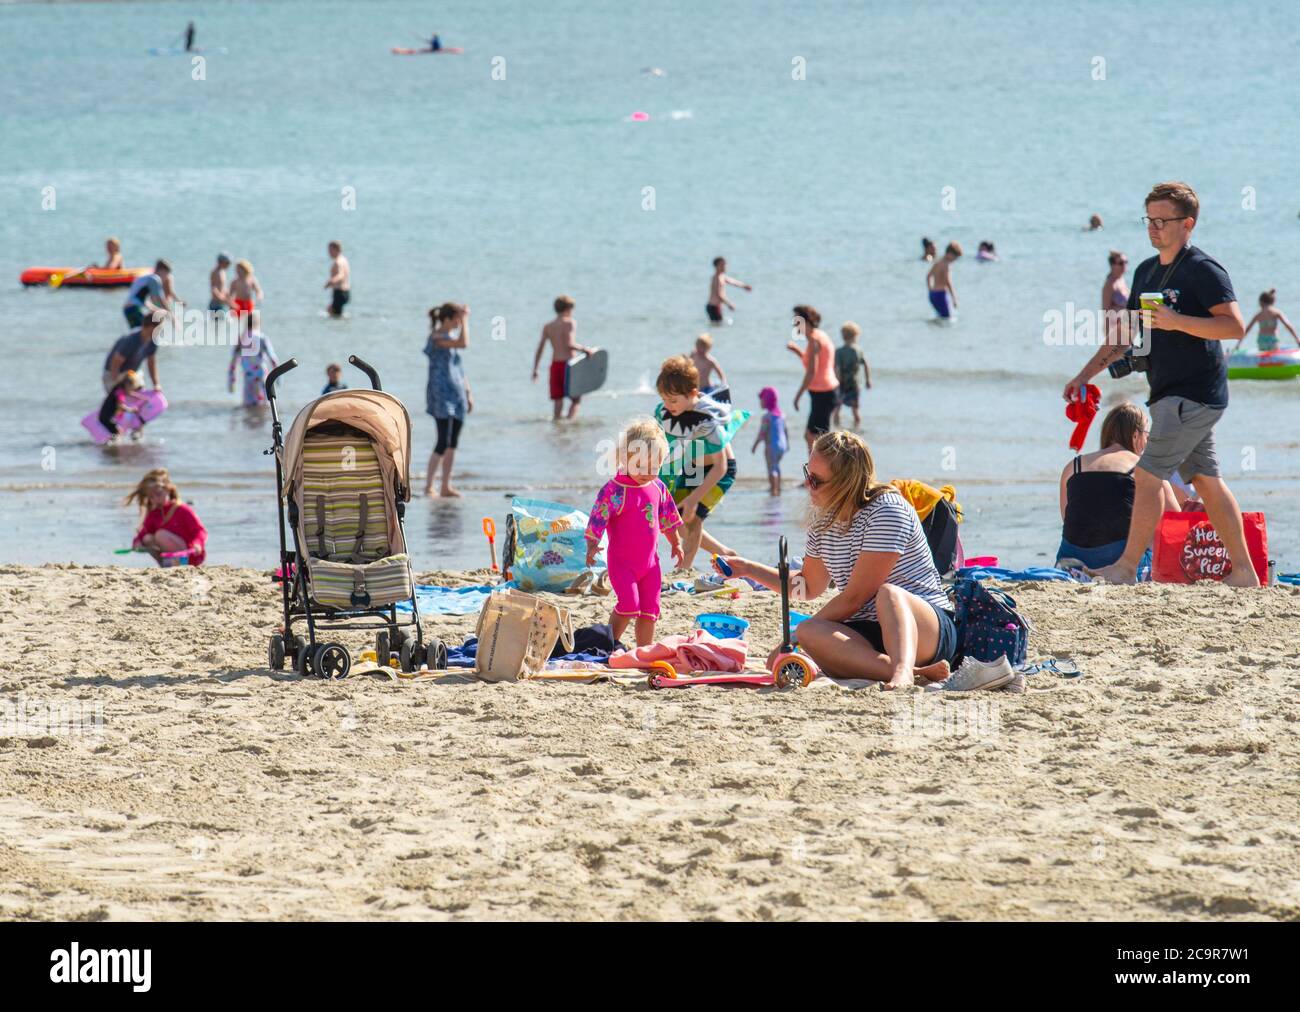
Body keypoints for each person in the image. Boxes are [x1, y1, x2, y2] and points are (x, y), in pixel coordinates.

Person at [1064, 180, 1258, 586]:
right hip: (1166, 391)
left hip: (1196, 393)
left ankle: (1126, 568)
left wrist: (1177, 322)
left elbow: (1234, 326)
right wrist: (1084, 375)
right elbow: (1123, 334)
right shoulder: (1146, 271)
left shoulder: (1203, 270)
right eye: (1148, 219)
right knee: (1205, 479)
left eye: (1162, 220)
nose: (1153, 227)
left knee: (1147, 475)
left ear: (1187, 224)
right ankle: (1244, 571)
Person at [716, 431, 958, 689]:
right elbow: (807, 586)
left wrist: (793, 637)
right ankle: (913, 671)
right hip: (868, 629)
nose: (808, 485)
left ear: (847, 483)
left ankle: (903, 670)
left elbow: (855, 597)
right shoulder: (823, 520)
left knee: (887, 594)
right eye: (807, 474)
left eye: (816, 480)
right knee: (810, 631)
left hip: (924, 626)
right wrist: (748, 569)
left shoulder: (887, 510)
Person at [584, 419, 685, 646]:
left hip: (651, 565)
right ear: (624, 459)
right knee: (629, 606)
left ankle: (644, 652)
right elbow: (597, 519)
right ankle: (608, 644)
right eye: (639, 466)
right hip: (622, 564)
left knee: (650, 610)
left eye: (653, 467)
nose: (646, 473)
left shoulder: (658, 488)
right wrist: (592, 545)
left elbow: (668, 518)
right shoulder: (615, 490)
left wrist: (676, 543)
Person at [1056, 402, 1179, 571]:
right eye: (1146, 436)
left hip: (1070, 558)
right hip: (1118, 557)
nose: (1147, 442)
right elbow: (1174, 521)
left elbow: (1068, 518)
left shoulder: (1073, 466)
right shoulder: (1144, 467)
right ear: (1135, 435)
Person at [655, 355, 746, 570]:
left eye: (673, 401)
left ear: (693, 394)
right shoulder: (667, 411)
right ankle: (726, 553)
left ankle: (683, 569)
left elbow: (720, 465)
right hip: (692, 466)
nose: (668, 406)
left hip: (719, 471)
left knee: (692, 518)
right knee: (672, 516)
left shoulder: (707, 420)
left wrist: (695, 499)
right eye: (664, 399)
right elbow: (661, 441)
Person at [424, 303, 473, 497]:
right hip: (441, 393)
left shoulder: (452, 338)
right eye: (457, 319)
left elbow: (459, 369)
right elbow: (464, 343)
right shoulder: (436, 337)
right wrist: (466, 319)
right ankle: (429, 485)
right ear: (446, 318)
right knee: (442, 440)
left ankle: (446, 485)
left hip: (457, 393)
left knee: (453, 441)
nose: (459, 323)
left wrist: (468, 393)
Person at [126, 468, 207, 567]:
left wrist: (197, 543)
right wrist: (137, 542)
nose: (155, 499)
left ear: (168, 490)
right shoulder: (154, 514)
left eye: (158, 494)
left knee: (160, 535)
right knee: (147, 538)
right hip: (169, 556)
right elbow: (144, 533)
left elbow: (200, 530)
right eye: (151, 497)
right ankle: (165, 564)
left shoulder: (181, 509)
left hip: (190, 555)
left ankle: (181, 565)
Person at [787, 304, 838, 454]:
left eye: (797, 321)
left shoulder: (814, 340)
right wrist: (797, 351)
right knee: (813, 437)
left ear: (807, 322)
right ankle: (816, 473)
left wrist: (798, 396)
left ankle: (818, 474)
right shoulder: (819, 335)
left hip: (824, 393)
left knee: (815, 438)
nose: (794, 324)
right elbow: (817, 363)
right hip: (825, 391)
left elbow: (811, 372)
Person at [531, 295, 592, 420]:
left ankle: (557, 425)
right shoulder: (570, 322)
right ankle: (569, 423)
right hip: (570, 365)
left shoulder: (548, 326)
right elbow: (569, 344)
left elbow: (540, 348)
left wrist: (535, 369)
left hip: (555, 365)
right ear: (568, 308)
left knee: (558, 399)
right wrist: (585, 349)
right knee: (576, 399)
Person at [227, 312, 279, 406]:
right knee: (264, 405)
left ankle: (249, 419)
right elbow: (273, 359)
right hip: (262, 376)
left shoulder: (242, 339)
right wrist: (278, 377)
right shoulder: (262, 338)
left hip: (248, 377)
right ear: (259, 324)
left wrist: (232, 381)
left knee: (248, 405)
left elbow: (233, 362)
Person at [103, 316, 162, 394]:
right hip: (113, 374)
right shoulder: (131, 340)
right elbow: (115, 363)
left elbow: (151, 363)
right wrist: (117, 385)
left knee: (141, 396)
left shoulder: (153, 340)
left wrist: (156, 384)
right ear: (148, 327)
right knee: (121, 400)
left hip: (131, 373)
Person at [831, 321, 871, 428]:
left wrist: (837, 383)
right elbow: (866, 365)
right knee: (855, 410)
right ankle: (857, 429)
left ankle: (836, 429)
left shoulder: (838, 351)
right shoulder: (858, 350)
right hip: (854, 384)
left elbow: (837, 368)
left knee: (837, 409)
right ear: (855, 336)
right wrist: (868, 380)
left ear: (843, 336)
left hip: (842, 384)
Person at [751, 386, 788, 496]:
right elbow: (785, 431)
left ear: (766, 401)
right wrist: (787, 445)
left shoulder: (766, 417)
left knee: (771, 468)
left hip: (771, 446)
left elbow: (762, 434)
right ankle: (778, 487)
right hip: (782, 445)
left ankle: (773, 489)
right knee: (776, 466)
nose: (760, 403)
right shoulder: (782, 415)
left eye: (761, 400)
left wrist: (755, 445)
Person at [122, 260, 173, 328]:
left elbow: (144, 301)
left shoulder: (146, 277)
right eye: (166, 274)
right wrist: (170, 314)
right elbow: (159, 300)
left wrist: (159, 310)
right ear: (161, 270)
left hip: (127, 309)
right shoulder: (155, 279)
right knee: (146, 332)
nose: (166, 278)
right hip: (135, 309)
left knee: (138, 333)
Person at [97, 370, 145, 439]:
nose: (133, 389)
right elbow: (120, 406)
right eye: (132, 387)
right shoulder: (120, 393)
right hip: (106, 418)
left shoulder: (118, 388)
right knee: (117, 432)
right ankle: (112, 447)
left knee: (117, 432)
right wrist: (131, 410)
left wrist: (141, 397)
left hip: (104, 416)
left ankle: (111, 445)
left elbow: (129, 393)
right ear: (127, 385)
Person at [706, 257, 751, 323]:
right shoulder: (717, 278)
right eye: (722, 265)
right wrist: (729, 304)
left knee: (718, 325)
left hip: (715, 306)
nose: (725, 267)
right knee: (717, 325)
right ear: (717, 266)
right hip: (713, 307)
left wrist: (744, 286)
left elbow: (732, 281)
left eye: (725, 265)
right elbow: (719, 294)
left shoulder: (722, 276)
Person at [926, 242, 961, 319]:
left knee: (940, 316)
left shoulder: (937, 262)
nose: (954, 260)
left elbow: (928, 276)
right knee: (947, 317)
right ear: (950, 253)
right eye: (955, 258)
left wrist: (930, 290)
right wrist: (954, 298)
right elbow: (948, 282)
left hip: (932, 294)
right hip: (941, 294)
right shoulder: (946, 265)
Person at [228, 259, 263, 324]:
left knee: (249, 322)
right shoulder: (235, 282)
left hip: (248, 304)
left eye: (239, 270)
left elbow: (258, 290)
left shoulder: (252, 280)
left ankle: (249, 333)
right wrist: (231, 304)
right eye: (236, 270)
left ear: (245, 269)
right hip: (238, 304)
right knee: (238, 323)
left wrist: (259, 297)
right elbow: (230, 296)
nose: (237, 271)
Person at [324, 241, 350, 317]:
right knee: (333, 312)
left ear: (336, 250)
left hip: (340, 292)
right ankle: (339, 327)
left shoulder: (338, 262)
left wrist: (331, 281)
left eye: (330, 250)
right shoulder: (344, 259)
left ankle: (337, 328)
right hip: (346, 292)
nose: (329, 253)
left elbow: (341, 275)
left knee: (334, 315)